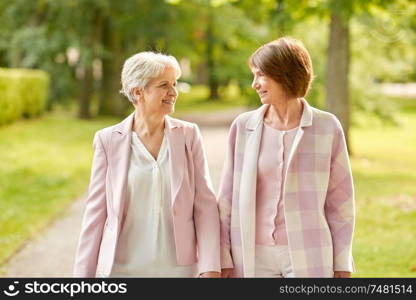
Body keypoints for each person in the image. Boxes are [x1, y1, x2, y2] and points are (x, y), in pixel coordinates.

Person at [73, 51, 220, 278]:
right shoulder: (108, 140)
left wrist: (211, 266)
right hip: (122, 270)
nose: (173, 92)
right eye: (164, 85)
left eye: (174, 84)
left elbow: (206, 204)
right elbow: (96, 213)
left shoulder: (188, 135)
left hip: (179, 270)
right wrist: (82, 278)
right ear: (138, 92)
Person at [218, 37, 355, 278]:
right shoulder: (243, 127)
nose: (255, 84)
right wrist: (223, 254)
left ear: (285, 74)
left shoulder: (327, 127)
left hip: (308, 253)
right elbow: (226, 199)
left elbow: (340, 203)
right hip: (251, 256)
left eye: (261, 75)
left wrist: (342, 262)